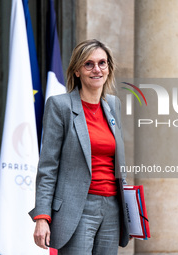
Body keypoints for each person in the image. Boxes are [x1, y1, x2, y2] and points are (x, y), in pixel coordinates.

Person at [29, 39, 129, 255]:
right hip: (77, 209)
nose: (97, 69)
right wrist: (42, 217)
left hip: (112, 209)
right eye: (88, 64)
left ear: (109, 68)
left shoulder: (113, 105)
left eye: (102, 63)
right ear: (76, 71)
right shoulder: (60, 106)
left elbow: (118, 162)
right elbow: (48, 167)